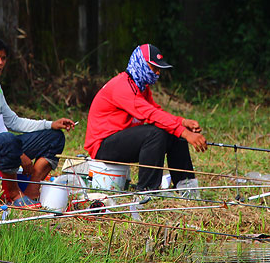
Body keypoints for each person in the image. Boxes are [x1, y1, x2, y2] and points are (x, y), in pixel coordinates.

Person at [0, 35, 75, 206]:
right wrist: (19, 154)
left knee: (54, 137)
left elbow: (13, 121)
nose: (0, 62)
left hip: (3, 143)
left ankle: (32, 188)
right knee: (7, 140)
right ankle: (13, 194)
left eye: (3, 58)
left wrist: (50, 124)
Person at [84, 44, 207, 192]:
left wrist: (182, 123)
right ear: (139, 63)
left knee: (172, 131)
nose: (157, 73)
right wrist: (186, 133)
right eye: (153, 68)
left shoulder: (141, 87)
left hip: (120, 140)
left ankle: (187, 187)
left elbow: (156, 111)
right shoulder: (122, 86)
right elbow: (151, 115)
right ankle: (147, 191)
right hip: (102, 146)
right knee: (157, 133)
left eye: (159, 69)